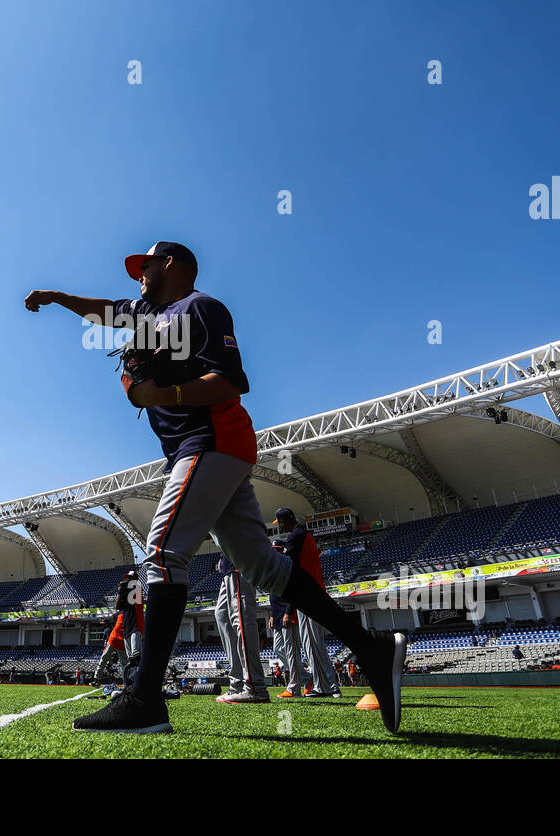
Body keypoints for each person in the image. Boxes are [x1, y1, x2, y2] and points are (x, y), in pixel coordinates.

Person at [25, 242, 405, 734]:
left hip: (212, 439)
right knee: (264, 568)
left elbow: (229, 381)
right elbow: (104, 311)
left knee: (161, 554)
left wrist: (163, 393)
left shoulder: (198, 307)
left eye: (146, 265)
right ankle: (371, 647)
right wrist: (58, 297)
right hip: (198, 446)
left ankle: (145, 700)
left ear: (172, 265)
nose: (137, 275)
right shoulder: (144, 313)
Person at [274, 508, 340, 698]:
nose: (280, 526)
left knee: (312, 642)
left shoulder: (297, 536)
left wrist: (288, 606)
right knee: (313, 643)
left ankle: (326, 686)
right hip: (311, 592)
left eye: (280, 523)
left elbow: (290, 567)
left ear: (285, 521)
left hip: (308, 593)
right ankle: (326, 685)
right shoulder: (303, 534)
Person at [213, 544, 269, 704]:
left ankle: (255, 687)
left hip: (239, 561)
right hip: (228, 565)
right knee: (222, 615)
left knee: (242, 619)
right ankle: (237, 684)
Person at [267, 536, 305, 699]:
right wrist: (272, 615)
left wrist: (288, 612)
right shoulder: (273, 568)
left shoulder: (289, 565)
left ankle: (294, 687)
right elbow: (274, 595)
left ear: (283, 550)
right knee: (278, 648)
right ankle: (307, 677)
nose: (275, 554)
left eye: (277, 550)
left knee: (291, 651)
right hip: (277, 615)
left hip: (287, 614)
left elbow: (294, 593)